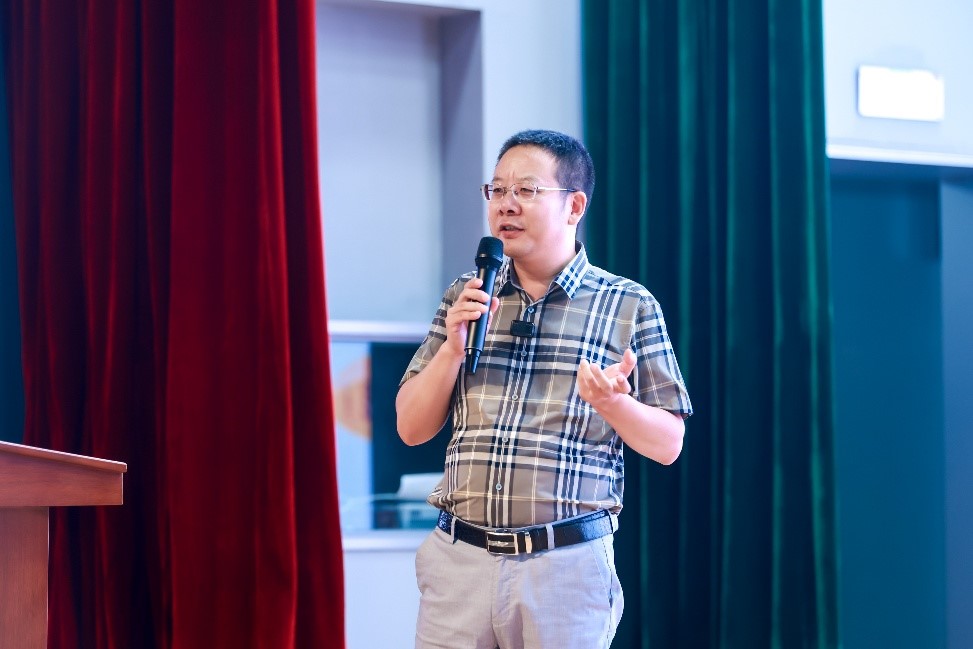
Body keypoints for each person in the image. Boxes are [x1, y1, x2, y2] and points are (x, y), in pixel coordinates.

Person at [396, 129, 693, 649]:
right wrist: (452, 350)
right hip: (460, 563)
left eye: (526, 190)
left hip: (564, 569)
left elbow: (669, 444)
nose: (506, 204)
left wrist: (613, 403)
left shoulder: (628, 304)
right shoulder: (467, 294)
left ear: (574, 206)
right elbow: (411, 427)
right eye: (497, 190)